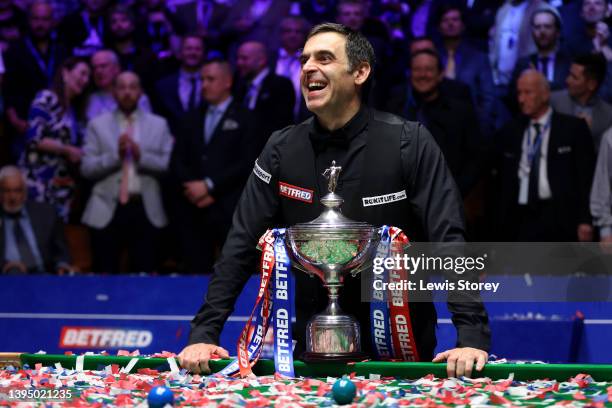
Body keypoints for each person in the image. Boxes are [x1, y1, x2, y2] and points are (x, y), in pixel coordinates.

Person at [179, 23, 490, 378]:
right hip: (308, 356)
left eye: (324, 58)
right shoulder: (280, 149)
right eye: (305, 60)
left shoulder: (410, 142)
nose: (309, 67)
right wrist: (203, 334)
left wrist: (471, 335)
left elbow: (448, 239)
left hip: (404, 358)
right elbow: (239, 245)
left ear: (360, 72)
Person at [81, 71, 173, 273]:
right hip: (106, 209)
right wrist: (116, 156)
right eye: (121, 87)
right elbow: (86, 168)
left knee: (145, 276)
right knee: (105, 276)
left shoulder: (159, 125)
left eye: (132, 87)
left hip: (145, 208)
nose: (127, 92)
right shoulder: (97, 125)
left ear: (140, 92)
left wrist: (141, 156)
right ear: (113, 92)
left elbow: (167, 166)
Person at [172, 59, 254, 274]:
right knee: (194, 270)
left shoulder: (246, 118)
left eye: (210, 79)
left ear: (227, 82)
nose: (204, 85)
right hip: (193, 206)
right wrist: (193, 187)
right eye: (202, 80)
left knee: (232, 272)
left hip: (229, 207)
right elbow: (178, 159)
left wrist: (210, 186)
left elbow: (247, 162)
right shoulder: (191, 117)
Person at [493, 70, 595, 242]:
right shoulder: (509, 132)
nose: (521, 99)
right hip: (519, 219)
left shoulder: (573, 129)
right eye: (519, 93)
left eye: (528, 92)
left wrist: (586, 219)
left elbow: (586, 178)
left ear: (545, 94)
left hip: (560, 217)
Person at [19, 56, 90, 222]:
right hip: (37, 183)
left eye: (88, 77)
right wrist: (67, 150)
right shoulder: (46, 98)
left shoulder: (74, 111)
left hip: (62, 188)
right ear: (65, 73)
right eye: (82, 73)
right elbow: (33, 139)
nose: (85, 80)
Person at [3, 0, 67, 161]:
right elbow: (7, 88)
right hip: (24, 124)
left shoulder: (61, 48)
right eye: (36, 19)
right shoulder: (15, 49)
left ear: (52, 22)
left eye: (45, 19)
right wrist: (14, 119)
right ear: (28, 20)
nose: (40, 24)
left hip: (56, 122)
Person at [0, 165, 71, 274]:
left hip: (45, 276)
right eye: (6, 191)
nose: (12, 197)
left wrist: (62, 265)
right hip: (8, 279)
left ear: (24, 192)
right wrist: (4, 266)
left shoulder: (46, 213)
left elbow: (61, 250)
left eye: (17, 191)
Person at [235, 40, 295, 157]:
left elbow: (280, 126)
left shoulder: (281, 85)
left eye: (244, 58)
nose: (239, 63)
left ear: (261, 60)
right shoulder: (240, 86)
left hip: (269, 156)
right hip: (242, 156)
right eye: (238, 58)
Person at [551, 53, 612, 151]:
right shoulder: (554, 102)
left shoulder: (608, 116)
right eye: (569, 74)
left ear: (591, 84)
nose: (567, 80)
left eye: (574, 77)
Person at [511, 7, 572, 92]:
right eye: (537, 27)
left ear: (557, 32)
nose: (542, 31)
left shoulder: (569, 63)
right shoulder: (523, 65)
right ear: (532, 32)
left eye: (547, 27)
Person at [87, 49, 152, 122]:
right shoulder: (90, 100)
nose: (98, 71)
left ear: (116, 68)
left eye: (103, 66)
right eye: (94, 68)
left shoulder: (138, 97)